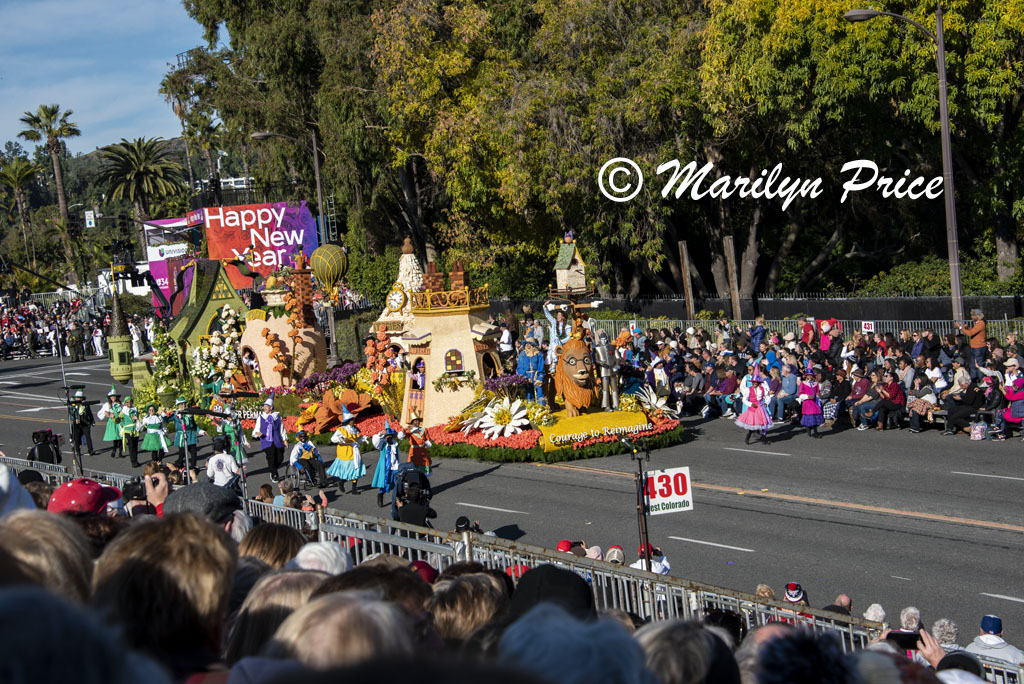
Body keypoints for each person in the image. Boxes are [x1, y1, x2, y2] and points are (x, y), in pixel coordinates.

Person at [327, 405, 367, 493]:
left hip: (354, 452)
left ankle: (354, 489)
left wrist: (364, 438)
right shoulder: (342, 429)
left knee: (356, 470)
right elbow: (333, 439)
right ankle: (341, 482)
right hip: (345, 453)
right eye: (352, 420)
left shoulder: (354, 429)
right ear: (348, 421)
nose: (354, 421)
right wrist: (343, 440)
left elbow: (357, 438)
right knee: (347, 471)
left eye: (354, 420)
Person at [252, 396, 288, 482]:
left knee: (280, 458)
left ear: (271, 407)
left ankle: (273, 469)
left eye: (266, 406)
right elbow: (255, 431)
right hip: (266, 441)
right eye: (264, 406)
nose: (264, 408)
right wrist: (258, 434)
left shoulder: (277, 417)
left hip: (277, 441)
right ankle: (274, 474)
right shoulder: (261, 418)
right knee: (271, 457)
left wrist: (285, 440)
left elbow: (281, 429)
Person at [371, 420, 404, 508]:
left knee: (397, 482)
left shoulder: (395, 444)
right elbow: (375, 442)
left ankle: (398, 500)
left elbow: (401, 436)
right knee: (386, 482)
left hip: (395, 466)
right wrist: (380, 434)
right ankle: (381, 495)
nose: (389, 437)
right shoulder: (383, 444)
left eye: (390, 436)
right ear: (385, 437)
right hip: (386, 466)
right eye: (387, 436)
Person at [735, 372, 773, 445]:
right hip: (753, 408)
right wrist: (750, 404)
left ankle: (764, 437)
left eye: (755, 383)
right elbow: (744, 399)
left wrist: (766, 403)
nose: (754, 384)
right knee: (753, 424)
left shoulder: (762, 389)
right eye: (753, 382)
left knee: (763, 422)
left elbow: (767, 397)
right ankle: (748, 436)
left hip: (761, 408)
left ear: (758, 383)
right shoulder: (749, 389)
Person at [170, 396, 202, 470]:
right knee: (182, 452)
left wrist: (200, 431)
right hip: (181, 435)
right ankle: (179, 464)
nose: (183, 406)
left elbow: (194, 424)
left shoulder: (189, 413)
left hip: (190, 434)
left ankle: (193, 465)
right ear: (178, 405)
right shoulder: (176, 414)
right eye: (181, 404)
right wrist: (164, 415)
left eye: (184, 404)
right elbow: (167, 420)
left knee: (193, 451)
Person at [516, 336, 546, 405]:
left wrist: (539, 377)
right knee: (529, 394)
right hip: (527, 376)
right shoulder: (522, 354)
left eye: (529, 343)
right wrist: (525, 377)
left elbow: (541, 366)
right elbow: (520, 367)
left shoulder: (538, 354)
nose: (527, 345)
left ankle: (541, 409)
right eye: (526, 343)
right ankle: (531, 410)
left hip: (536, 375)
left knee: (540, 392)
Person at [958, 309, 987, 380]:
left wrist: (960, 327)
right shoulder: (978, 324)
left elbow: (970, 333)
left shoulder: (981, 323)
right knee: (972, 366)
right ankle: (974, 380)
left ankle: (981, 381)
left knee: (978, 366)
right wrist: (967, 328)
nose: (972, 317)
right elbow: (973, 331)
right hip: (974, 347)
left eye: (973, 315)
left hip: (979, 347)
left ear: (978, 316)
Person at [96, 386, 123, 460]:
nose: (113, 398)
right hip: (113, 422)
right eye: (112, 397)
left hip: (120, 421)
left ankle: (120, 452)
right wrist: (107, 413)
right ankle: (114, 450)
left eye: (114, 396)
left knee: (121, 437)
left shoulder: (120, 404)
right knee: (115, 437)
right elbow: (101, 413)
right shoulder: (107, 405)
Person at [68, 389, 96, 457]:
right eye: (77, 398)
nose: (78, 399)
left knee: (88, 436)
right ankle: (77, 450)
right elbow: (71, 413)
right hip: (76, 424)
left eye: (79, 398)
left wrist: (92, 421)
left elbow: (89, 413)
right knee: (76, 437)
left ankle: (90, 450)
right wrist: (75, 419)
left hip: (85, 422)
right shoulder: (73, 405)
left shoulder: (85, 405)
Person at [798, 371, 824, 438]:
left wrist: (818, 395)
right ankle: (808, 429)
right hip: (807, 403)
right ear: (806, 376)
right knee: (809, 417)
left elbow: (818, 391)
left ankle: (815, 432)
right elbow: (800, 394)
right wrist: (807, 396)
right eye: (808, 375)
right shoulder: (803, 384)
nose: (809, 377)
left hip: (814, 402)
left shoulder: (815, 384)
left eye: (811, 375)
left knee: (814, 417)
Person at [119, 396, 141, 468]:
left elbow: (139, 418)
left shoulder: (135, 409)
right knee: (131, 446)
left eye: (130, 402)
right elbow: (119, 419)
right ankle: (133, 462)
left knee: (135, 445)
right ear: (125, 403)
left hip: (135, 430)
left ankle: (136, 460)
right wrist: (123, 425)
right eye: (127, 402)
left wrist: (137, 419)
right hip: (128, 430)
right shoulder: (123, 411)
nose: (129, 403)